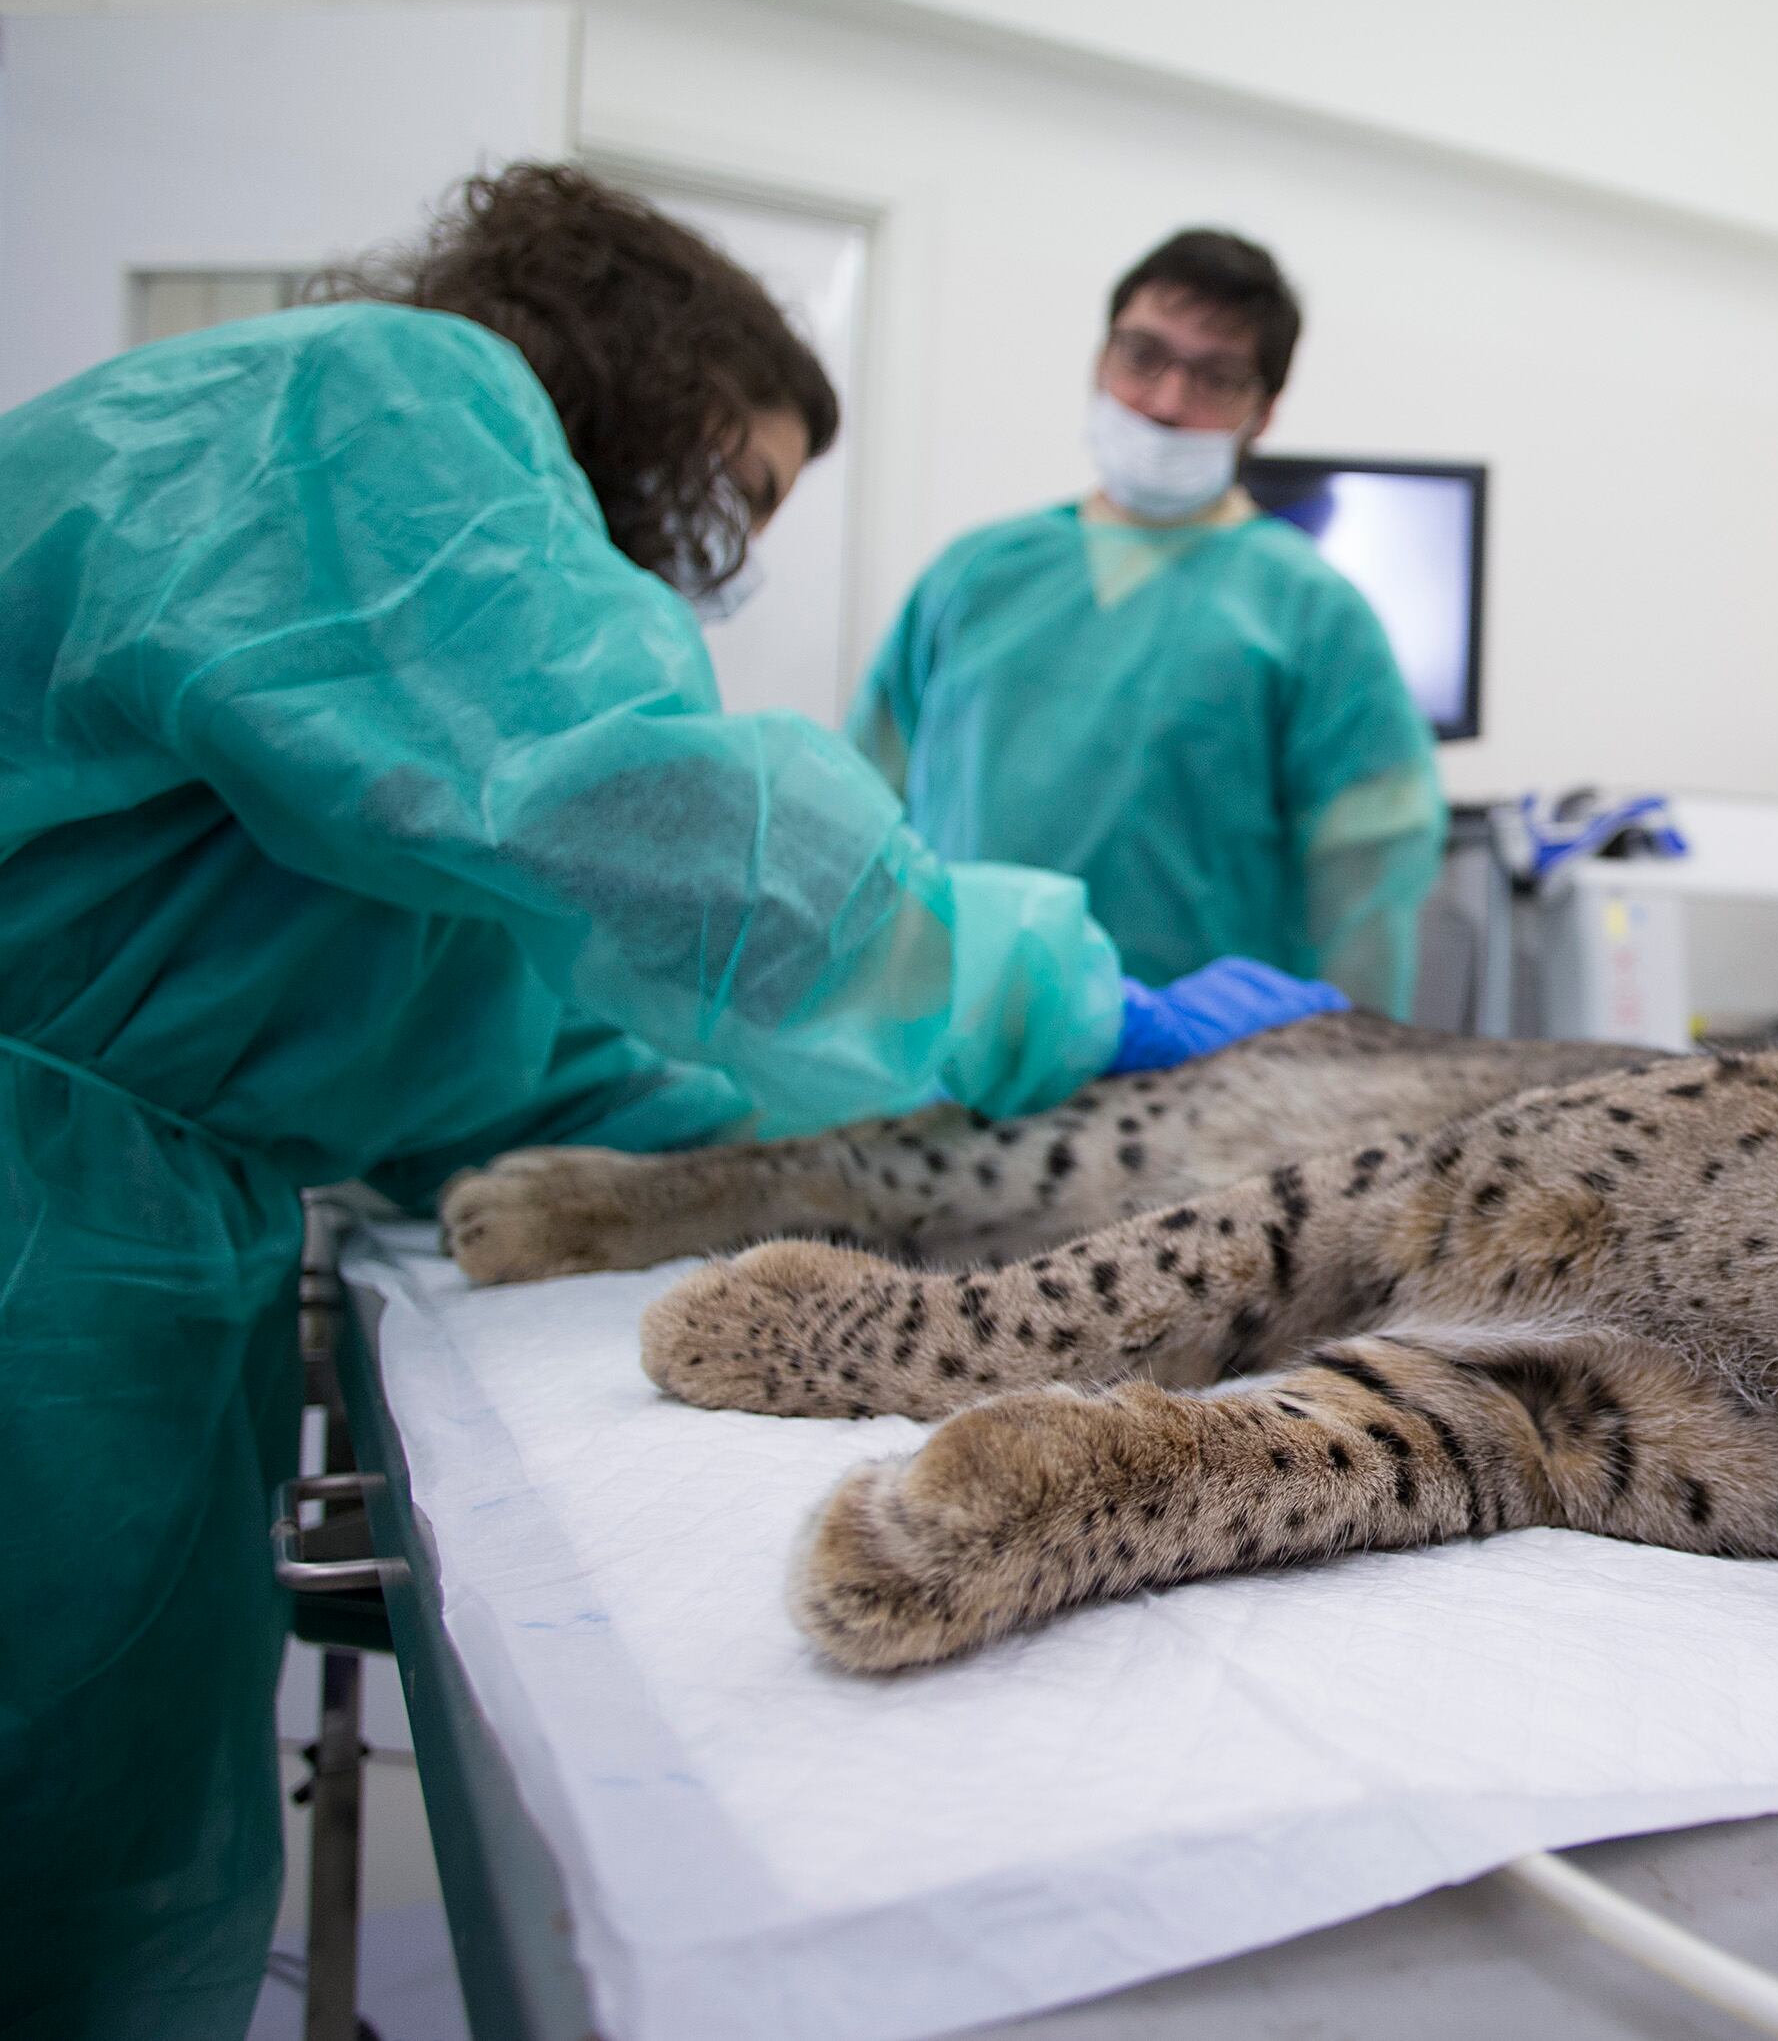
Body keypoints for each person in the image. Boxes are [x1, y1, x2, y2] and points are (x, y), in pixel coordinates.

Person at [0, 167, 1338, 2041]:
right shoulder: (375, 412)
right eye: (745, 494)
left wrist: (858, 1136)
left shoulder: (386, 734)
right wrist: (1048, 994)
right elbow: (672, 825)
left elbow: (517, 1055)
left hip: (104, 1262)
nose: (715, 563)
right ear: (651, 390)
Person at [849, 230, 1447, 1018]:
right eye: (1143, 356)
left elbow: (1367, 889)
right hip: (957, 1039)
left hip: (1197, 1077)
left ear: (1262, 412)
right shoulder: (975, 575)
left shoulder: (1312, 613)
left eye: (1216, 378)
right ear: (1100, 360)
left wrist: (1348, 1081)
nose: (1167, 403)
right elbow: (863, 811)